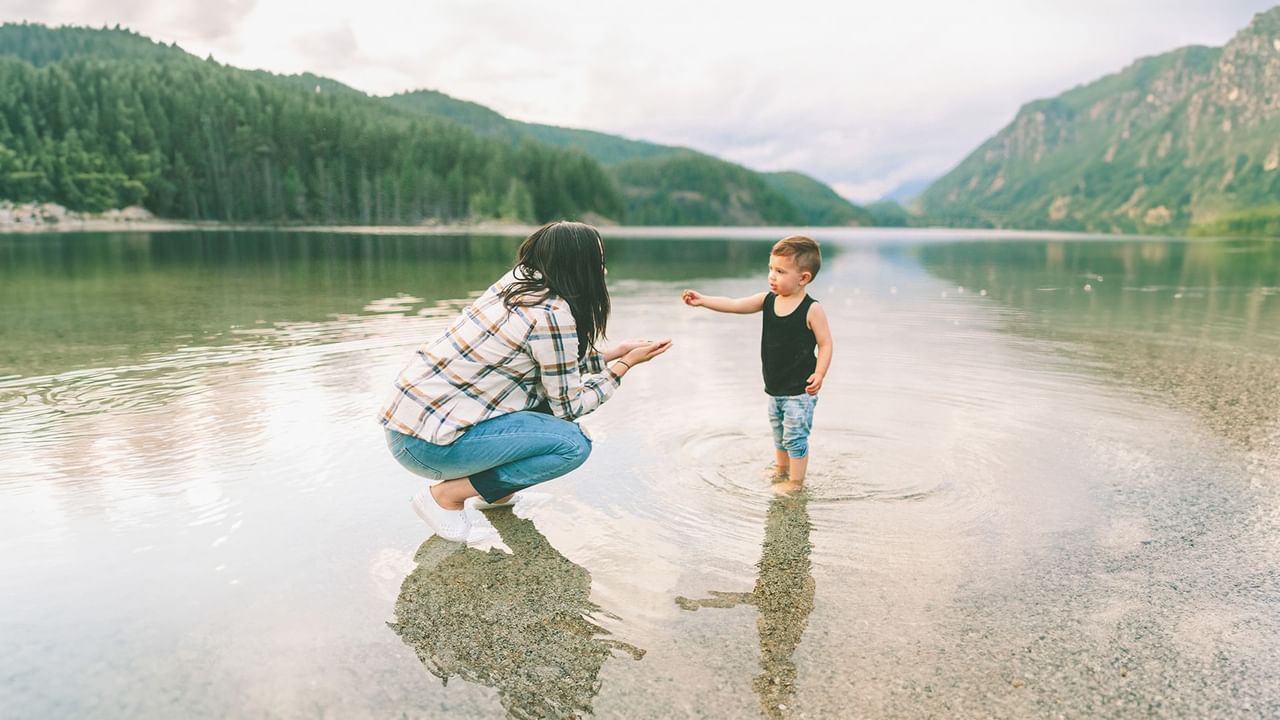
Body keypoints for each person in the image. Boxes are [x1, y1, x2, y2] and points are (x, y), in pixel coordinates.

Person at [381, 221, 671, 541]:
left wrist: (611, 353)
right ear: (580, 265)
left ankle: (497, 495)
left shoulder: (518, 283)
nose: (603, 271)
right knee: (573, 444)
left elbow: (547, 365)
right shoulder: (552, 314)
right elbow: (569, 406)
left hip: (409, 428)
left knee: (537, 407)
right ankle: (447, 497)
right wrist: (623, 367)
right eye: (598, 262)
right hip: (428, 447)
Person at [682, 235, 832, 490]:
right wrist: (703, 300)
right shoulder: (767, 300)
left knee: (795, 438)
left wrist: (820, 373)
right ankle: (781, 469)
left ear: (803, 278)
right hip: (775, 389)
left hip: (800, 391)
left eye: (780, 271)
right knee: (779, 436)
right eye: (771, 269)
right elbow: (734, 304)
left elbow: (825, 343)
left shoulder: (811, 309)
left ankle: (796, 483)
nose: (772, 276)